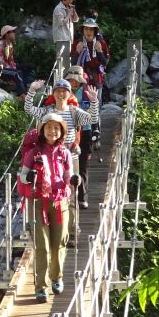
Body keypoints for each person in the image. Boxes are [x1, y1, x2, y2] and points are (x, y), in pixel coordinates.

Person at [17, 113, 78, 302]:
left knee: (59, 241)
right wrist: (31, 176)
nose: (53, 131)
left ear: (61, 132)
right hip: (37, 202)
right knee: (42, 245)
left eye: (57, 128)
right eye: (49, 127)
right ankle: (40, 286)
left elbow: (68, 176)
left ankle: (57, 277)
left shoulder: (65, 153)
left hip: (60, 202)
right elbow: (22, 176)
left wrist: (75, 180)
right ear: (42, 130)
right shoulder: (32, 153)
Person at [23, 78, 90, 164]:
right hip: (50, 157)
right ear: (53, 93)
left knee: (72, 177)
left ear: (70, 94)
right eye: (58, 91)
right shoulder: (46, 111)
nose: (61, 94)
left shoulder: (75, 112)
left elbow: (92, 118)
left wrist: (94, 101)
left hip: (71, 157)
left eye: (64, 91)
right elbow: (28, 109)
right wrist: (32, 90)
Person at [63, 66, 100, 209]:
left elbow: (94, 114)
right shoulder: (61, 93)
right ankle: (68, 197)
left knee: (83, 165)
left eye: (76, 80)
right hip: (67, 133)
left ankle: (82, 196)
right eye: (71, 80)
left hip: (84, 132)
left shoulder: (86, 94)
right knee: (67, 165)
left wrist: (96, 131)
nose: (74, 83)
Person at [71, 18, 110, 103]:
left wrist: (99, 52)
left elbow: (105, 63)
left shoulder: (101, 43)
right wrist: (77, 52)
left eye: (91, 29)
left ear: (95, 31)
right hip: (82, 77)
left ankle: (96, 116)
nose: (88, 32)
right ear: (83, 30)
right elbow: (73, 63)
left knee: (96, 101)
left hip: (97, 76)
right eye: (86, 29)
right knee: (81, 101)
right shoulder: (77, 43)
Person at [0, 24, 28, 95]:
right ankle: (22, 94)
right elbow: (1, 63)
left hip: (6, 67)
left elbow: (11, 61)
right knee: (17, 73)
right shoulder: (0, 44)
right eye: (12, 31)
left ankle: (23, 89)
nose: (14, 33)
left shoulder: (10, 44)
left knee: (27, 67)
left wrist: (13, 69)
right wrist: (12, 73)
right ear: (6, 34)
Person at [52, 0, 79, 80]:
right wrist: (69, 13)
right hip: (61, 38)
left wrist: (73, 12)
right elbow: (61, 23)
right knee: (61, 62)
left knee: (68, 61)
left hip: (68, 38)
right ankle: (59, 81)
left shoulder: (68, 8)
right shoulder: (58, 8)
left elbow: (76, 20)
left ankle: (66, 80)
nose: (71, 1)